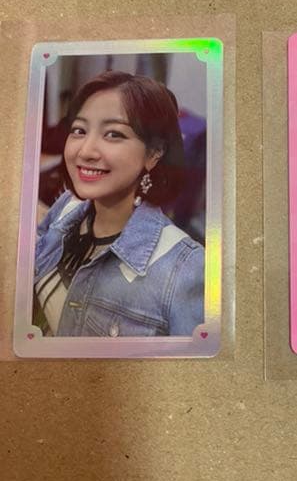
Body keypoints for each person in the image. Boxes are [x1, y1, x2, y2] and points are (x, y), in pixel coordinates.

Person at [33, 70, 205, 337]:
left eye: (113, 134)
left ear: (154, 153)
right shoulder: (67, 205)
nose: (85, 151)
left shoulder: (185, 268)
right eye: (79, 130)